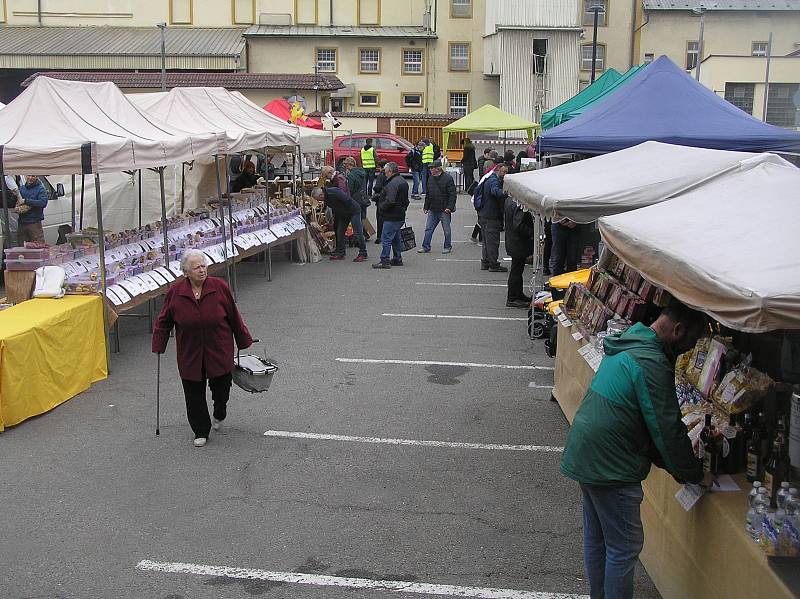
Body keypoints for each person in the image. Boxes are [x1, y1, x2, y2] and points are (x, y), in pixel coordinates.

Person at [561, 302, 712, 599]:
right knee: (623, 546)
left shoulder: (632, 341)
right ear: (678, 331)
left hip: (589, 450)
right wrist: (693, 473)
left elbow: (649, 424)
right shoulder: (652, 361)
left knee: (599, 539)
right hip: (611, 462)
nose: (688, 349)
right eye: (690, 342)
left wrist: (671, 463)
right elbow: (667, 428)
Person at [151, 249, 253, 447]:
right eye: (196, 267)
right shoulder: (175, 292)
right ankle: (200, 430)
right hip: (190, 351)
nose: (201, 270)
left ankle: (219, 411)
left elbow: (234, 316)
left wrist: (242, 340)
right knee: (193, 391)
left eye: (203, 266)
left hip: (218, 347)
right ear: (185, 272)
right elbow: (164, 321)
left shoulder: (220, 287)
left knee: (222, 387)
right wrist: (159, 343)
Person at [313, 184, 368, 262]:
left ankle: (363, 253)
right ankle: (341, 252)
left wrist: (344, 212)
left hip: (353, 211)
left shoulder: (334, 192)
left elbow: (347, 200)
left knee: (357, 233)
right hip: (343, 214)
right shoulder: (326, 197)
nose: (319, 201)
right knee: (340, 232)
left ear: (321, 195)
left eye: (318, 199)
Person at [372, 162, 409, 269]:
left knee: (386, 238)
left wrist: (381, 206)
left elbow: (391, 200)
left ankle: (385, 260)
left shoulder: (393, 183)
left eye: (385, 171)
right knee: (396, 237)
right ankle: (397, 258)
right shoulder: (402, 181)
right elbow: (405, 200)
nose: (384, 173)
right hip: (399, 214)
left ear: (390, 171)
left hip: (392, 215)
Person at [419, 159, 456, 255]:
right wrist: (426, 206)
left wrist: (449, 207)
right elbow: (428, 194)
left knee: (446, 230)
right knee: (428, 229)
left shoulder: (448, 178)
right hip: (432, 208)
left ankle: (447, 246)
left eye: (432, 168)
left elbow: (452, 195)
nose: (430, 169)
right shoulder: (430, 178)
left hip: (444, 209)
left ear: (438, 169)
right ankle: (425, 246)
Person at [477, 161, 509, 273]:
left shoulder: (488, 179)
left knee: (486, 241)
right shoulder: (494, 181)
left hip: (484, 214)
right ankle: (493, 264)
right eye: (504, 172)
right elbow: (496, 192)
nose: (505, 174)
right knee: (492, 241)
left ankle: (485, 262)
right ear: (498, 169)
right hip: (491, 215)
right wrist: (507, 193)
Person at [503, 197, 534, 308]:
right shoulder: (518, 204)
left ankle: (518, 295)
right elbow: (518, 225)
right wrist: (532, 232)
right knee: (516, 271)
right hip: (518, 242)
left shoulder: (509, 199)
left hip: (513, 240)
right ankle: (512, 298)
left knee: (517, 270)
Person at [16, 175, 49, 244]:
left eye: (33, 176)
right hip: (22, 224)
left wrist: (25, 201)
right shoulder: (21, 188)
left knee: (38, 247)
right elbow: (17, 201)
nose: (30, 178)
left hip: (34, 224)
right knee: (22, 249)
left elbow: (43, 203)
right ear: (25, 176)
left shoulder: (41, 189)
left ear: (37, 177)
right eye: (29, 175)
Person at [343, 157, 369, 237]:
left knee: (357, 218)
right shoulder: (361, 172)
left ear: (349, 165)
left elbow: (350, 189)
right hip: (364, 197)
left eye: (345, 165)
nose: (345, 167)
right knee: (363, 216)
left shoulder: (351, 175)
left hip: (356, 198)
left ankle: (360, 236)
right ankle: (368, 233)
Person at [371, 159, 389, 244]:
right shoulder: (391, 175)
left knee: (380, 218)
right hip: (389, 199)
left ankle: (379, 237)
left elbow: (377, 187)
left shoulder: (381, 175)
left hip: (381, 199)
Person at [2, 175, 21, 248]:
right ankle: (12, 253)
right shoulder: (8, 174)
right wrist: (19, 198)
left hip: (8, 206)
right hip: (8, 206)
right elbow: (14, 188)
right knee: (12, 232)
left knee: (8, 233)